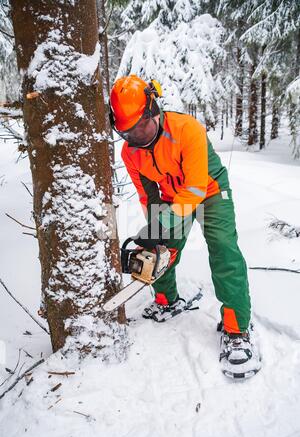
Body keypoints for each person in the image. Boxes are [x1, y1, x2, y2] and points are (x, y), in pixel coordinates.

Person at [109, 74, 261, 377]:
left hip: (209, 191)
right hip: (172, 196)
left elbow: (192, 190)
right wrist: (152, 234)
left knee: (223, 249)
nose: (138, 136)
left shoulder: (186, 130)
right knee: (160, 247)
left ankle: (236, 329)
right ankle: (165, 300)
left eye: (142, 126)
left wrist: (163, 223)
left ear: (154, 109)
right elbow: (146, 193)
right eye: (129, 132)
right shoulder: (131, 152)